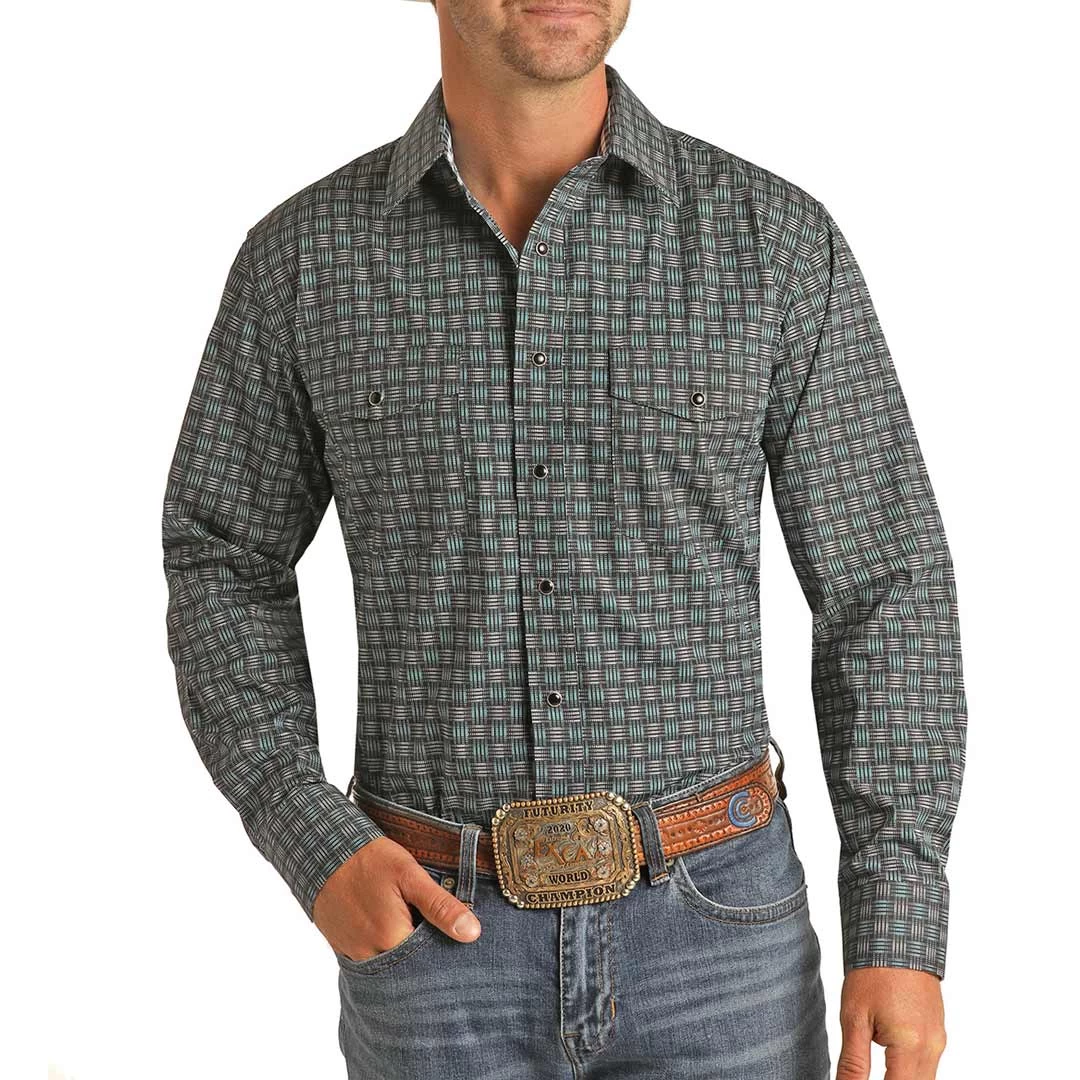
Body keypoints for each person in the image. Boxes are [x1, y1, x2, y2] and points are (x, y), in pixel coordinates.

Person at [161, 2, 967, 1077]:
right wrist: (309, 834)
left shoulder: (771, 242)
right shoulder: (304, 262)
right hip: (432, 948)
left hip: (722, 944)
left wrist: (898, 923)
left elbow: (884, 581)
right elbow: (222, 556)